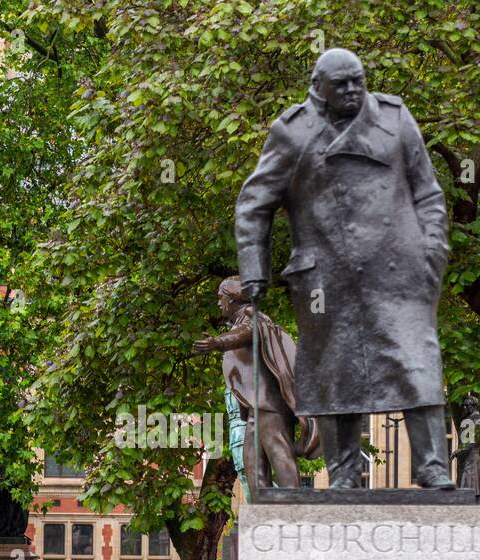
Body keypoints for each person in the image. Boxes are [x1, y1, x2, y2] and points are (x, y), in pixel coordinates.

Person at [234, 47, 455, 490]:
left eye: (359, 80)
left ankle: (432, 467)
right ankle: (344, 474)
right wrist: (254, 270)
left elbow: (428, 193)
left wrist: (433, 253)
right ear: (319, 87)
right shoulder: (293, 133)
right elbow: (253, 205)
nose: (354, 90)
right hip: (325, 277)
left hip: (401, 272)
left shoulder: (394, 119)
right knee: (337, 372)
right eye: (342, 84)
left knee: (418, 362)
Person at [193, 277, 319, 496]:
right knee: (251, 463)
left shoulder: (254, 318)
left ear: (231, 299)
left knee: (280, 455)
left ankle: (295, 510)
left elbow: (244, 334)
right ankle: (263, 514)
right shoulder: (243, 319)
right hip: (256, 407)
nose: (218, 303)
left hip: (269, 405)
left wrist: (217, 343)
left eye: (220, 297)